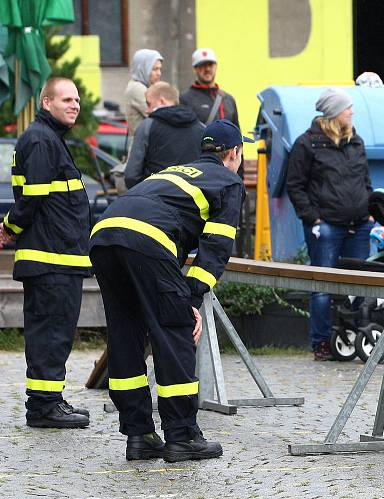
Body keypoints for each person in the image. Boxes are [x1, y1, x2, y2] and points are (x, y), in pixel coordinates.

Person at [89, 119, 249, 462]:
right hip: (146, 240)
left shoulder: (174, 172)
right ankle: (182, 436)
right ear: (234, 153)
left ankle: (140, 435)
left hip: (104, 233)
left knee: (125, 334)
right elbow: (216, 246)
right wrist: (190, 299)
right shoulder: (228, 180)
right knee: (174, 330)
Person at [0, 78, 92, 428]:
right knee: (50, 334)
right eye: (66, 99)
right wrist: (10, 227)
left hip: (59, 256)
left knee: (56, 334)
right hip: (51, 257)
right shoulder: (40, 139)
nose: (74, 105)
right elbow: (33, 199)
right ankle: (42, 407)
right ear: (46, 102)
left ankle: (50, 399)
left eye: (77, 100)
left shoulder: (48, 138)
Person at [286, 88, 373, 360]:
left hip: (359, 224)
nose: (351, 112)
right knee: (323, 284)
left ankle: (359, 335)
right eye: (347, 108)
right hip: (326, 227)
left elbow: (364, 180)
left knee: (360, 284)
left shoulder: (355, 140)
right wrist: (312, 218)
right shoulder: (307, 143)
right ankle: (321, 342)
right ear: (335, 112)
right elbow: (295, 185)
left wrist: (369, 210)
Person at [124, 81, 204, 189]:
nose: (147, 110)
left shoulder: (148, 126)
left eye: (148, 104)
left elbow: (131, 175)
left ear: (162, 101)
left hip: (156, 198)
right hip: (194, 200)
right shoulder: (201, 127)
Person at [180, 48, 239, 127]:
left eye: (210, 65)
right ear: (195, 69)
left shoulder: (228, 99)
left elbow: (237, 133)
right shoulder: (185, 99)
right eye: (202, 65)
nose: (207, 69)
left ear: (216, 66)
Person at [124, 49, 163, 147]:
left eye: (159, 69)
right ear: (143, 68)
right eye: (154, 69)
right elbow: (159, 115)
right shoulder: (137, 88)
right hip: (142, 148)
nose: (159, 73)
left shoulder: (145, 87)